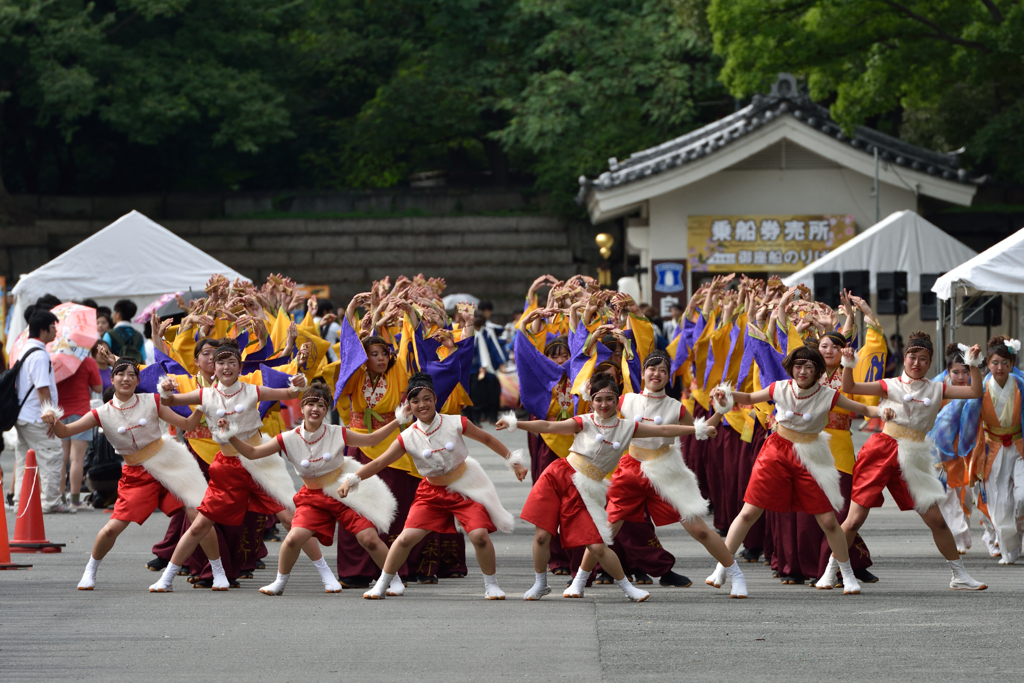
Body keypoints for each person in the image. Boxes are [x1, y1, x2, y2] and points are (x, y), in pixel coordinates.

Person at [500, 373, 716, 602]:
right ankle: (541, 583)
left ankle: (628, 588)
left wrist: (696, 429)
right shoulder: (583, 421)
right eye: (599, 399)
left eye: (609, 399)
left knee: (597, 545)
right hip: (557, 476)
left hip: (587, 488)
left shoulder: (628, 428)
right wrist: (515, 423)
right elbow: (548, 425)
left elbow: (664, 431)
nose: (604, 404)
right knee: (543, 536)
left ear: (617, 401)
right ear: (591, 401)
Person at [707, 344, 886, 597]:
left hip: (810, 455)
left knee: (828, 521)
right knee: (749, 512)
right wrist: (726, 395)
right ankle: (721, 568)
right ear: (791, 368)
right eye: (798, 366)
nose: (803, 371)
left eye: (809, 367)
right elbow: (747, 398)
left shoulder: (828, 394)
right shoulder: (779, 387)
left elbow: (866, 410)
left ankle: (846, 575)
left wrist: (886, 411)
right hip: (776, 451)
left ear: (817, 371)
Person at [337, 373, 526, 600]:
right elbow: (378, 462)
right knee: (406, 538)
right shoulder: (407, 436)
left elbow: (486, 439)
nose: (422, 405)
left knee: (479, 536)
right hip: (431, 493)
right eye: (415, 401)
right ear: (409, 405)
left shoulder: (456, 422)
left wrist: (513, 461)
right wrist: (352, 479)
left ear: (435, 400)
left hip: (463, 486)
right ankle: (384, 583)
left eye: (427, 399)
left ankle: (492, 585)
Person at [147, 339, 312, 592]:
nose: (226, 367)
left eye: (231, 362)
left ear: (239, 366)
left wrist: (297, 383)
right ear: (214, 367)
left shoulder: (252, 389)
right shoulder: (205, 394)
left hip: (258, 461)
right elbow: (169, 401)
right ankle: (168, 578)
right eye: (220, 362)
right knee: (201, 523)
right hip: (226, 464)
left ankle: (325, 575)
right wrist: (166, 388)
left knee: (289, 517)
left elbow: (289, 393)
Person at [833, 332, 989, 590]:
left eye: (923, 359)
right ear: (904, 358)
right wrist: (848, 364)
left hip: (914, 454)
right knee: (855, 519)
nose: (916, 363)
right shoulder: (890, 384)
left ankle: (959, 575)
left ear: (930, 363)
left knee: (937, 520)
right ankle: (831, 570)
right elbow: (849, 388)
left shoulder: (936, 388)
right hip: (881, 450)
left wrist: (973, 363)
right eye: (912, 357)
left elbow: (975, 391)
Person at [41, 356, 210, 590]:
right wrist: (52, 418)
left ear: (138, 380)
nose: (126, 378)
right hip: (136, 474)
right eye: (121, 373)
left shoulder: (152, 400)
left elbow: (188, 425)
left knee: (198, 515)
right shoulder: (101, 413)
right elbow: (65, 431)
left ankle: (218, 571)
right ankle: (90, 569)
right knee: (112, 528)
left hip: (167, 463)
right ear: (112, 379)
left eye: (132, 374)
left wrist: (203, 404)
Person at [228, 380, 403, 595]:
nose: (316, 409)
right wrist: (231, 437)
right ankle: (280, 582)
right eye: (310, 404)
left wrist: (398, 421)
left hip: (342, 492)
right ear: (301, 408)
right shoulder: (288, 438)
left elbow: (372, 438)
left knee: (368, 539)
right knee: (293, 538)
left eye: (321, 405)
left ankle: (394, 579)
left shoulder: (338, 432)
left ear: (326, 410)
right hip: (312, 497)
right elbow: (253, 453)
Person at [14, 310, 70, 513]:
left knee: (24, 462)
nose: (56, 331)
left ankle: (22, 503)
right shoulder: (39, 355)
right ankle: (51, 503)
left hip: (24, 416)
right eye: (54, 327)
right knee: (52, 455)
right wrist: (50, 418)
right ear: (44, 329)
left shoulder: (26, 350)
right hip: (36, 417)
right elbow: (42, 388)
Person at [55, 347, 103, 509]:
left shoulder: (57, 362)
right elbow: (98, 388)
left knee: (61, 459)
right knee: (77, 459)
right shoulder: (88, 362)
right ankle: (75, 499)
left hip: (60, 414)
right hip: (81, 414)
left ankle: (60, 497)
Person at [102, 299, 146, 364]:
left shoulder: (109, 334)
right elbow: (143, 360)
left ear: (118, 315)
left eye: (113, 312)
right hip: (135, 372)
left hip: (116, 372)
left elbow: (103, 358)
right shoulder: (138, 335)